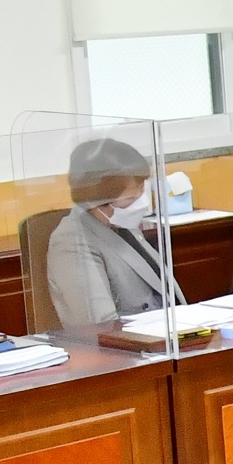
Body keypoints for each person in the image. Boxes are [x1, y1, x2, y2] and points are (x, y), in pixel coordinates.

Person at [45, 136, 181, 326]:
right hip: (131, 348)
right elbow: (100, 325)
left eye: (142, 188)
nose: (141, 201)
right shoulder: (71, 240)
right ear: (98, 200)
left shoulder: (120, 222)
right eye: (132, 197)